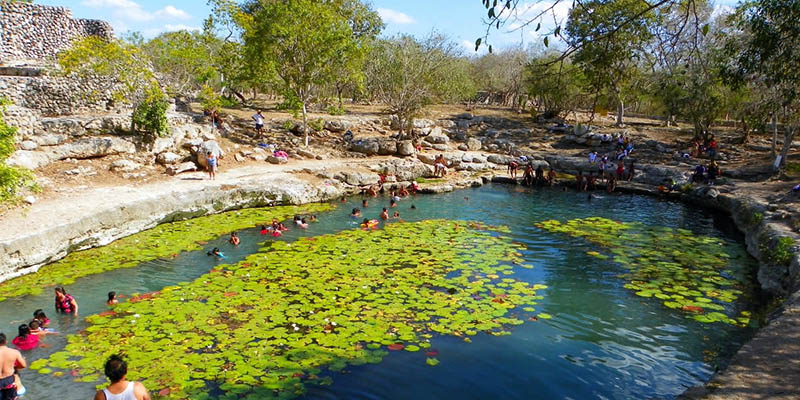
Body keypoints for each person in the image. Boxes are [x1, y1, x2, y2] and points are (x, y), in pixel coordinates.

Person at [0, 333, 26, 400]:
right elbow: (23, 365)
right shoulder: (14, 352)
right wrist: (13, 367)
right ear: (6, 341)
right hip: (9, 380)